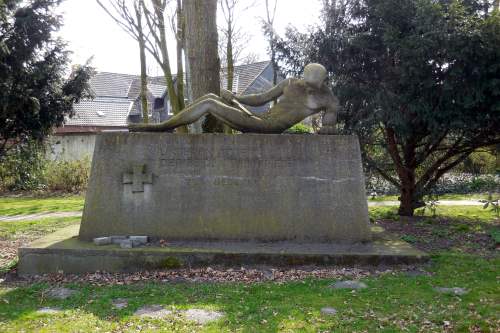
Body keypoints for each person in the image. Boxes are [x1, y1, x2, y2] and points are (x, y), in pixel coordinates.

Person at [129, 63, 339, 134]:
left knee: (210, 103)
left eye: (314, 86)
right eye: (307, 83)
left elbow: (328, 127)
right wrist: (237, 97)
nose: (308, 89)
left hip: (270, 127)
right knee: (211, 96)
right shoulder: (291, 83)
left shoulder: (328, 100)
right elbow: (261, 98)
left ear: (322, 82)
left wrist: (329, 122)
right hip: (260, 119)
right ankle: (167, 125)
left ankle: (162, 127)